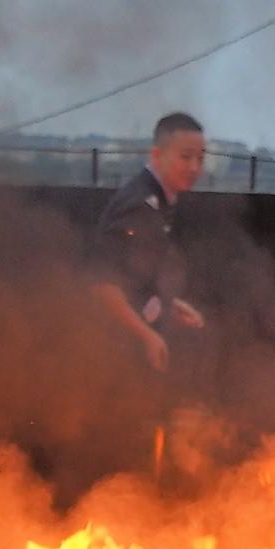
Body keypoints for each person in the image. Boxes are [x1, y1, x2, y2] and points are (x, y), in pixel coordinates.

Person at [87, 112, 209, 375]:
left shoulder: (162, 200)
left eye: (200, 158)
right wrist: (146, 336)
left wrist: (170, 304)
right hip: (111, 352)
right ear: (157, 155)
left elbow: (137, 275)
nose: (194, 167)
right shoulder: (139, 205)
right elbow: (103, 285)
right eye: (185, 157)